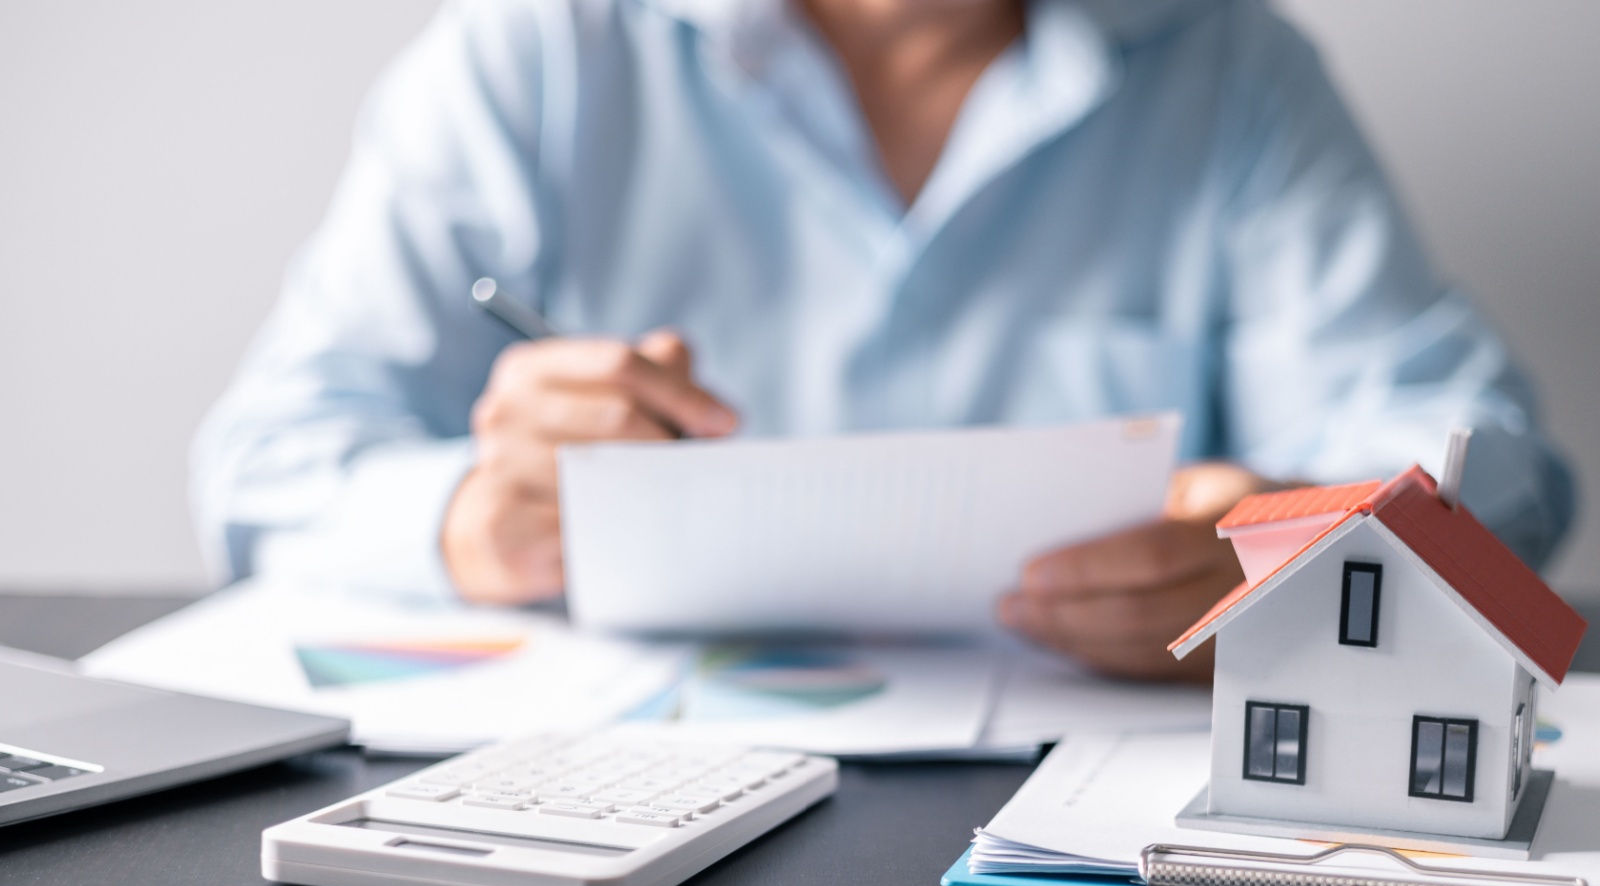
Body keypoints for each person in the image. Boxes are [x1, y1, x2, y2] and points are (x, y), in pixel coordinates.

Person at [194, 0, 1574, 682]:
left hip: (1089, 852)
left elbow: (1494, 465)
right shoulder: (539, 51)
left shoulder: (1230, 71)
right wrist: (466, 521)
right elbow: (266, 461)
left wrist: (1283, 556)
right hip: (609, 818)